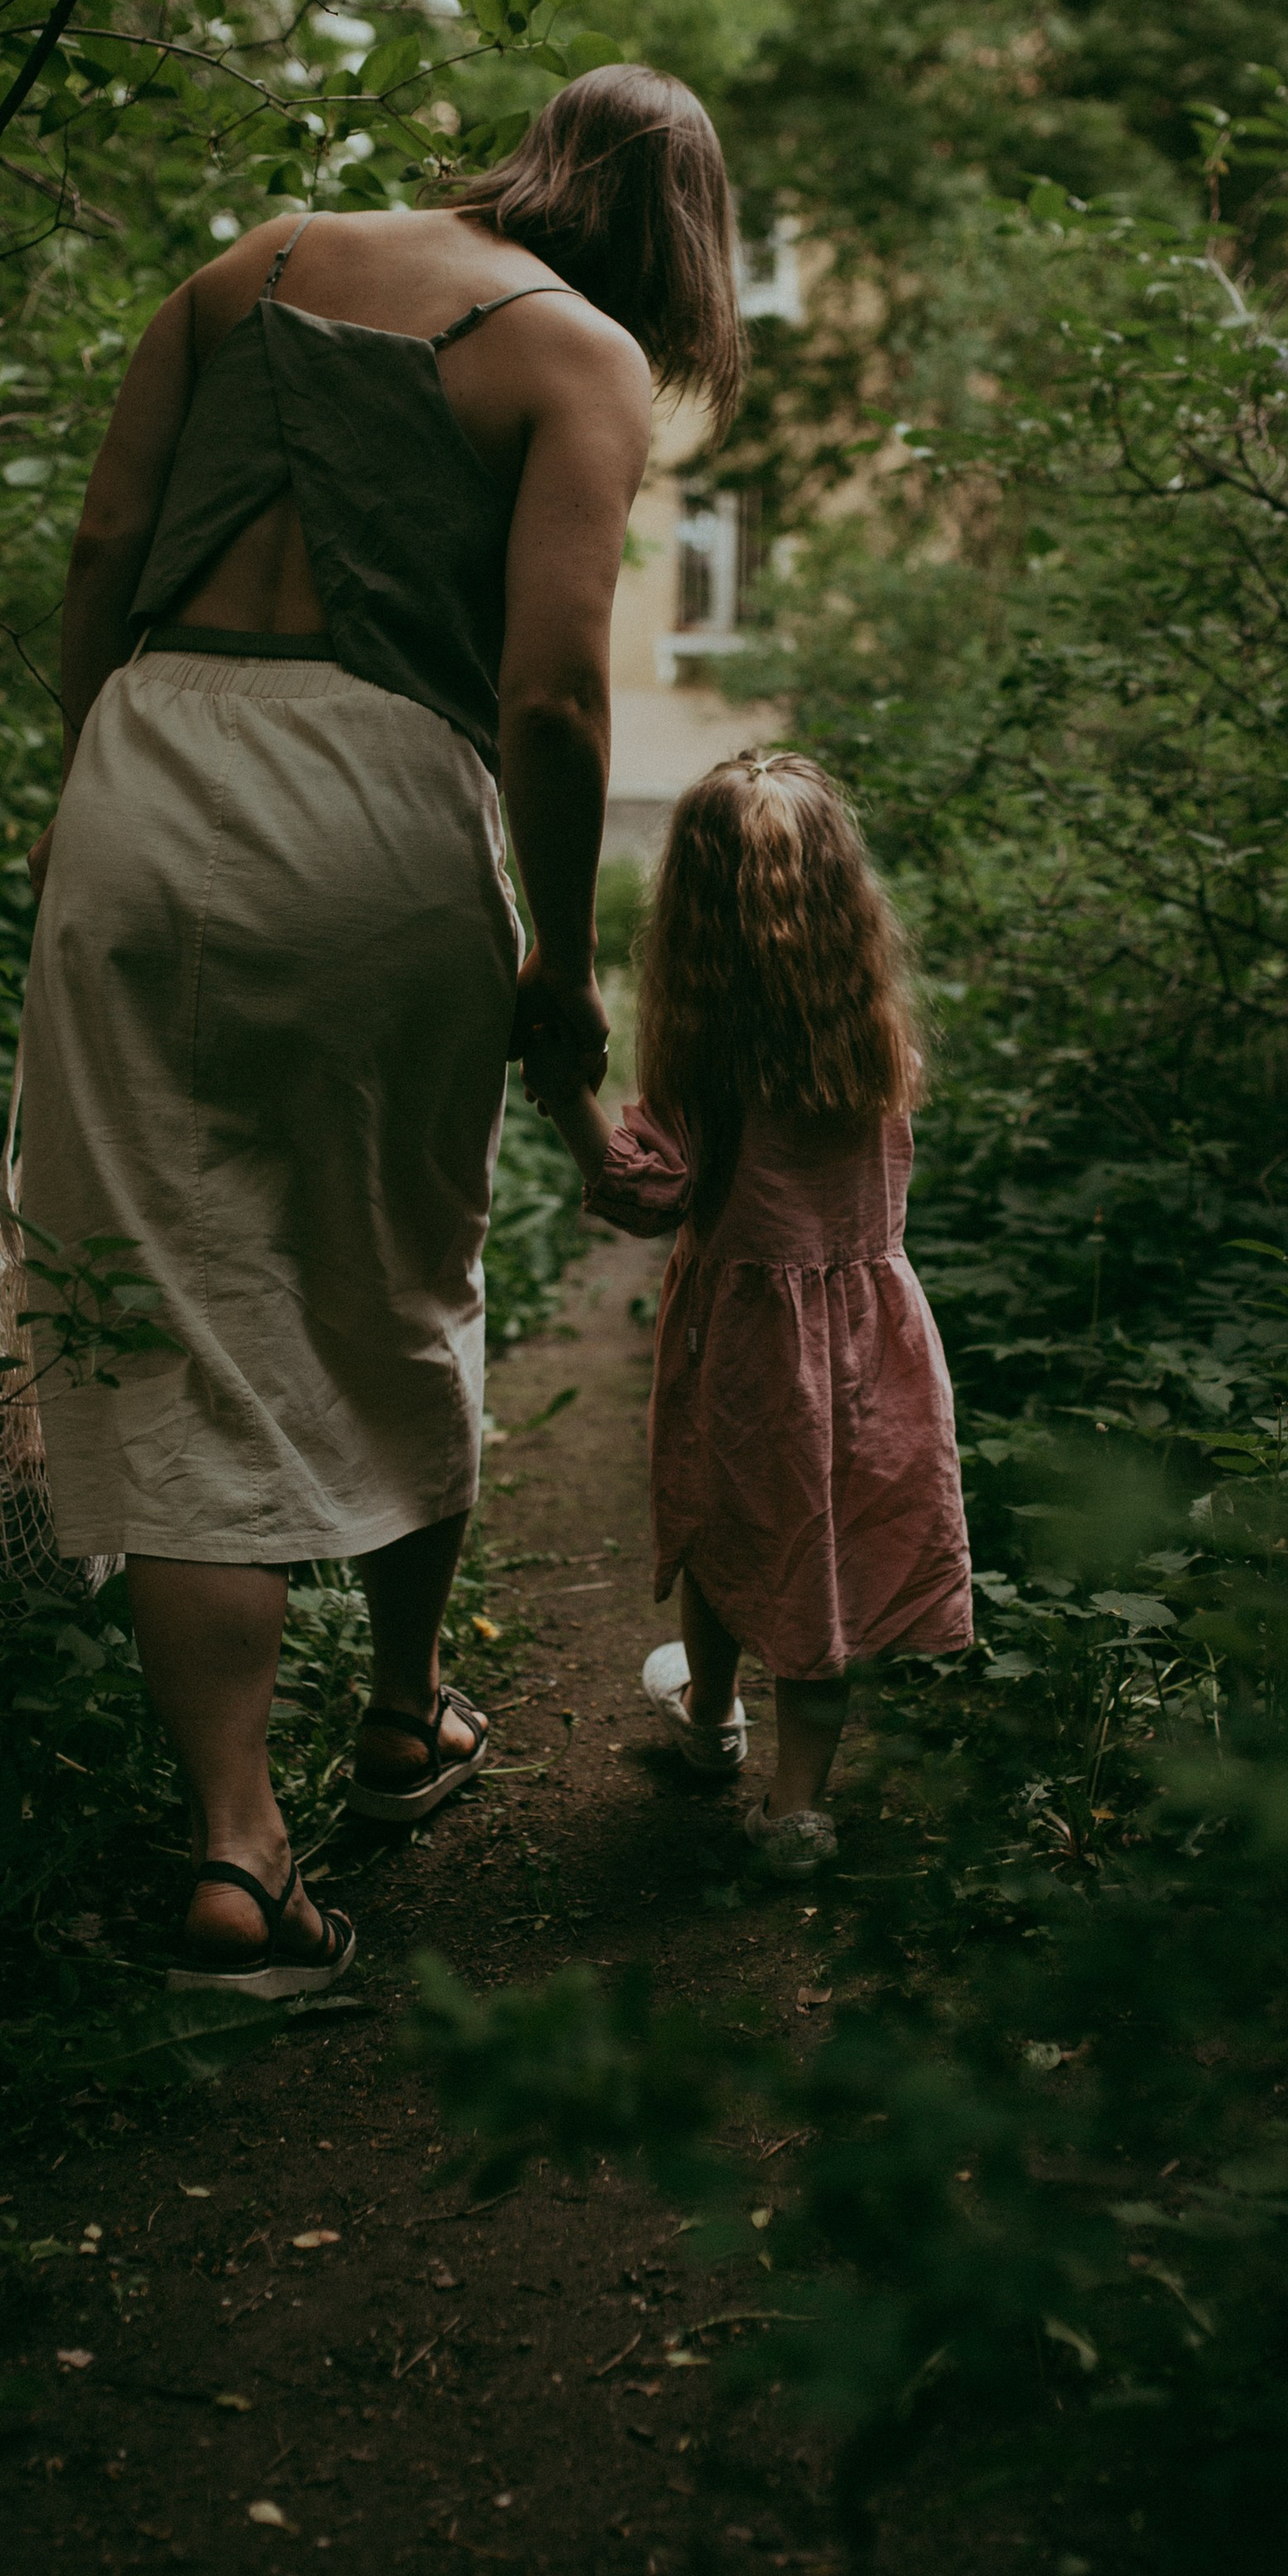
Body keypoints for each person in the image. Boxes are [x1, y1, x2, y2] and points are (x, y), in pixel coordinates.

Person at [17, 66, 745, 1996]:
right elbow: (555, 699)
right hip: (374, 814)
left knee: (168, 1297)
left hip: (143, 770)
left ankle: (235, 1853)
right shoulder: (572, 357)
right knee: (395, 1268)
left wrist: (89, 784)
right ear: (686, 238)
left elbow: (97, 554)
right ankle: (402, 1716)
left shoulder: (245, 266)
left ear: (527, 153)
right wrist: (564, 967)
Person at [523, 751, 974, 1876]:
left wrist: (569, 1101)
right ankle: (797, 1804)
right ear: (843, 903)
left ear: (695, 922)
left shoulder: (711, 1067)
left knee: (739, 1536)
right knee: (825, 1548)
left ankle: (716, 1728)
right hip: (878, 1348)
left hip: (752, 1358)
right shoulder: (878, 1045)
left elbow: (646, 1198)